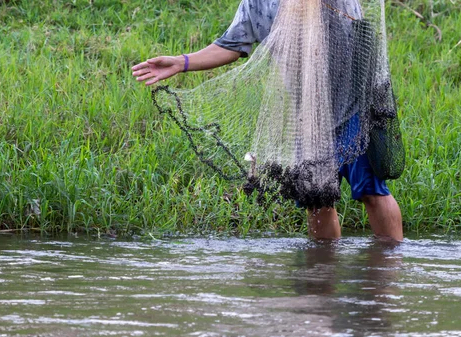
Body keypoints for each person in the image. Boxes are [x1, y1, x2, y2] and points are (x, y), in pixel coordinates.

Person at [132, 0, 403, 241]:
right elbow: (232, 44)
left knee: (371, 191)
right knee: (316, 199)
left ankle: (386, 277)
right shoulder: (257, 3)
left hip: (355, 102)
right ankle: (321, 280)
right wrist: (182, 61)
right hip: (308, 114)